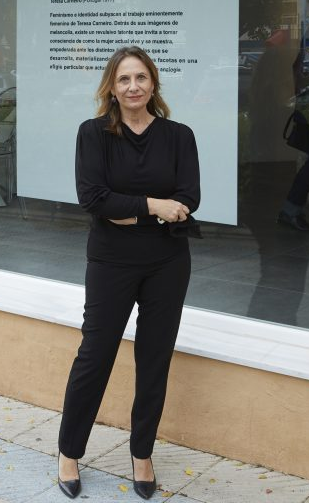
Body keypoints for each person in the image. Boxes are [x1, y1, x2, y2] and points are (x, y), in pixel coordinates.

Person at [57, 46, 200, 500]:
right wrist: (154, 206)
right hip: (111, 263)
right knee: (95, 356)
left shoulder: (179, 136)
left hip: (168, 262)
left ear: (153, 83)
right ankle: (69, 452)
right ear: (112, 88)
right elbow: (93, 198)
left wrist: (129, 212)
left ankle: (142, 454)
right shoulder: (94, 133)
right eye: (124, 79)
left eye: (141, 77)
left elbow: (189, 197)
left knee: (154, 360)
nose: (133, 86)